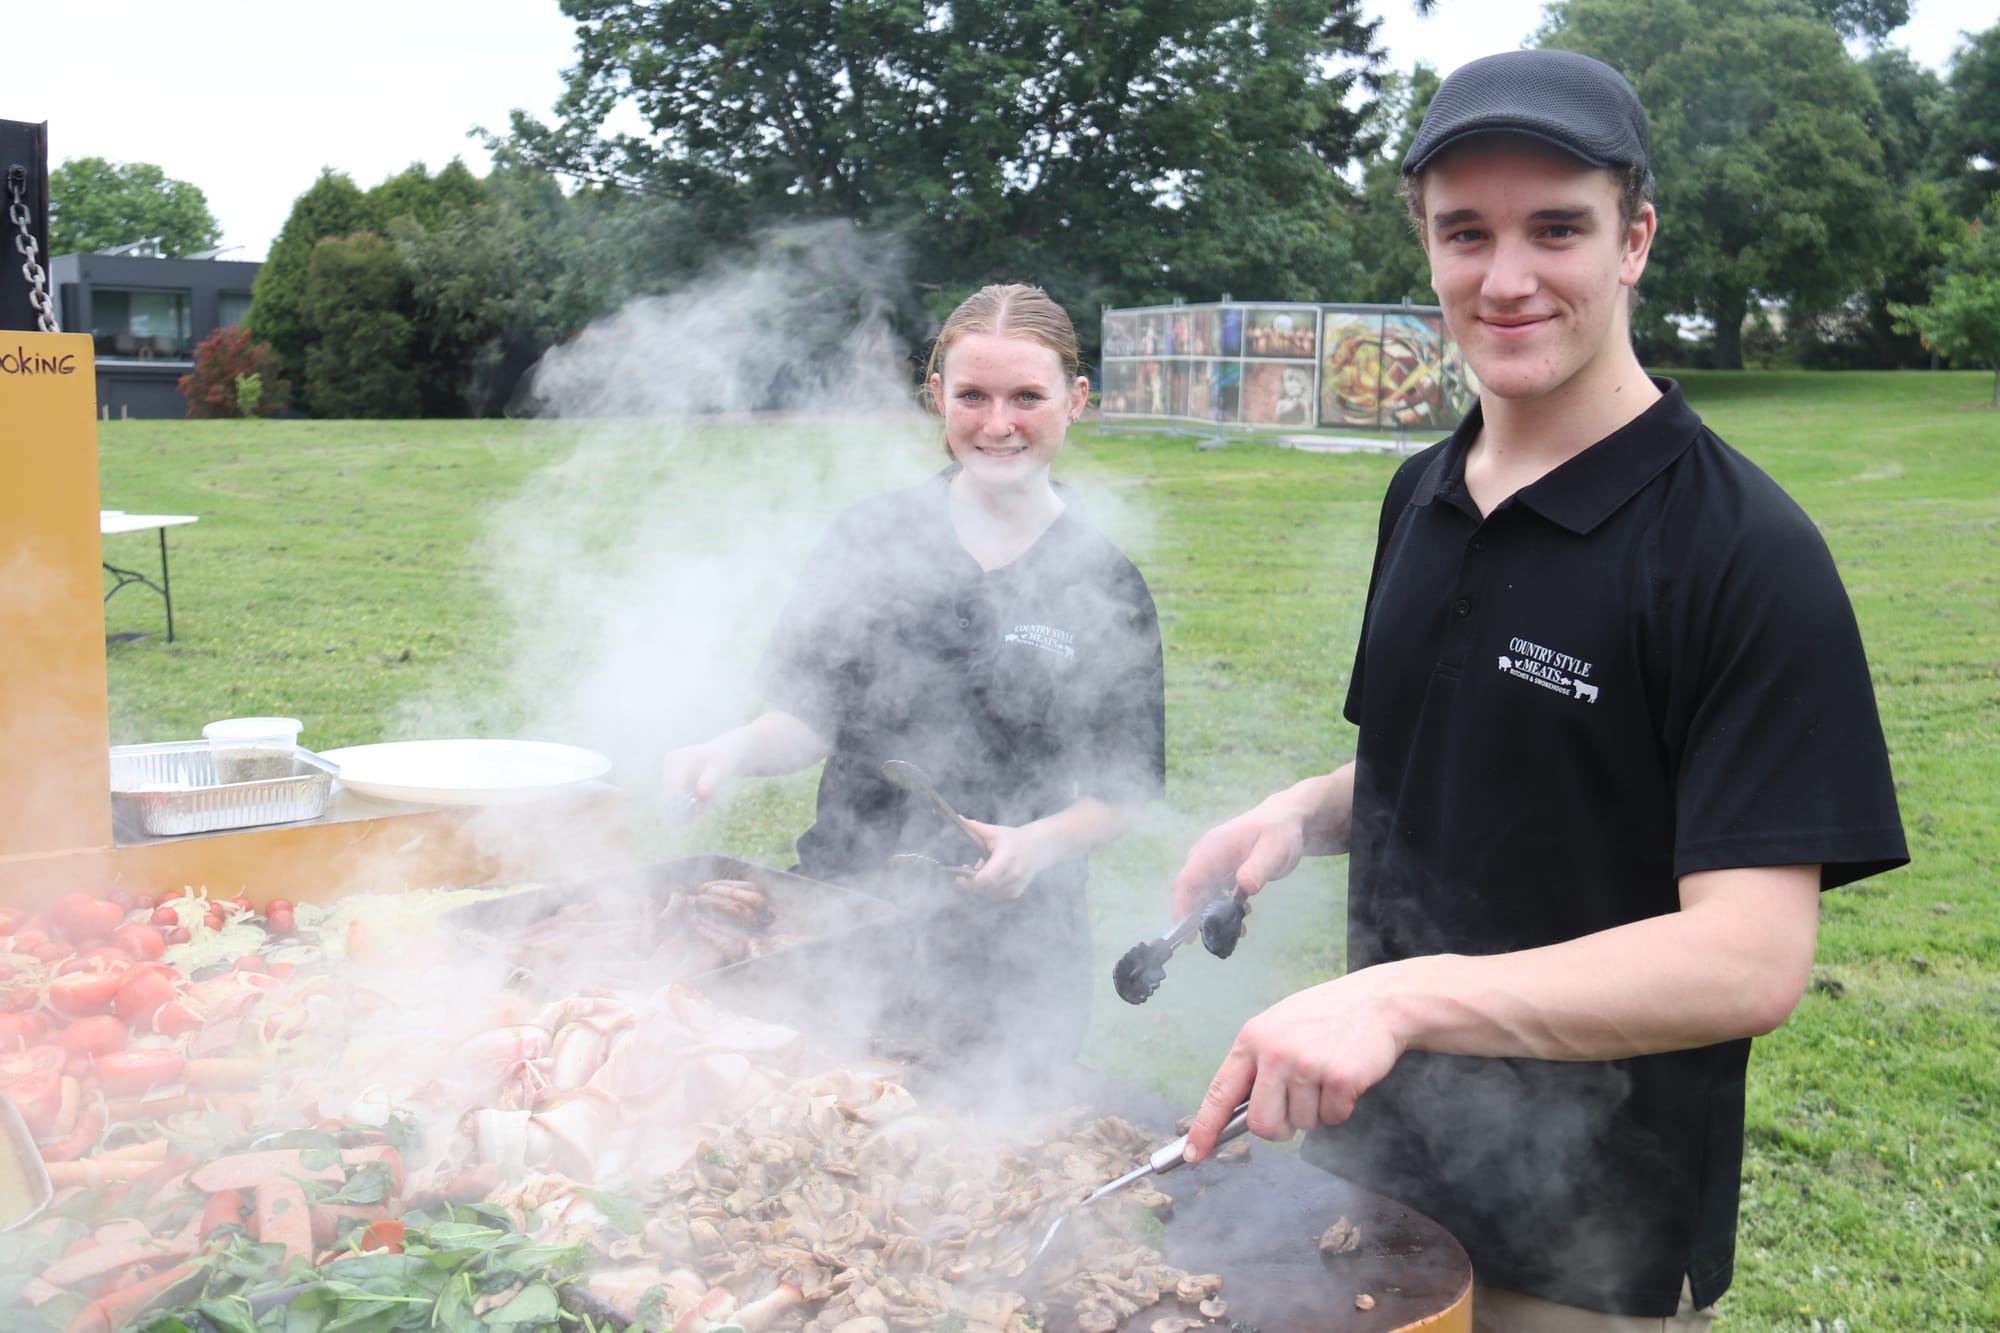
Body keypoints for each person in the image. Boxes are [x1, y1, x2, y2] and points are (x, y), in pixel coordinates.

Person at [1166, 49, 1907, 1332]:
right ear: (1427, 248)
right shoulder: (1424, 491)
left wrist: (1396, 996)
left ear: (1634, 239)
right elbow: (1468, 746)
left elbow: (1746, 959)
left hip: (1583, 1231)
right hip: (1377, 1177)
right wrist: (1302, 808)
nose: (1503, 280)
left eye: (1555, 228)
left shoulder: (1739, 551)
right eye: (1465, 234)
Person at [663, 283, 1166, 1064]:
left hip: (1019, 952)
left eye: (1027, 397)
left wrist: (1036, 844)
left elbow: (1124, 790)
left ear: (1076, 399)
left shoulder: (1105, 579)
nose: (998, 424)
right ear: (937, 396)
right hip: (838, 914)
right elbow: (805, 719)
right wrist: (727, 750)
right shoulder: (868, 537)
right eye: (973, 395)